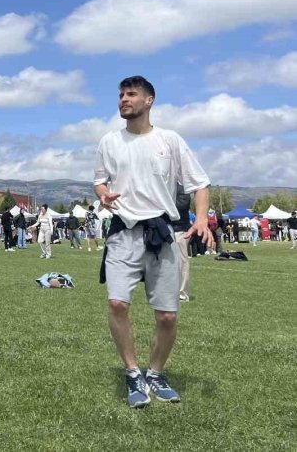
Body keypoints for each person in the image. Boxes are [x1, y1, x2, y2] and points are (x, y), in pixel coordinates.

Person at [95, 76, 211, 408]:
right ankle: (133, 372)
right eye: (121, 94)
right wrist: (103, 195)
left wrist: (201, 219)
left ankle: (156, 374)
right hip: (123, 233)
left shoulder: (169, 140)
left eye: (131, 94)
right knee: (117, 304)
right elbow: (99, 181)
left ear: (149, 100)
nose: (123, 99)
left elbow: (200, 183)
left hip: (162, 234)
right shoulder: (109, 142)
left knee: (167, 316)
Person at [171, 186, 193, 302]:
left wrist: (165, 203)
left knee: (182, 262)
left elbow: (182, 205)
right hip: (168, 230)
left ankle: (182, 293)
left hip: (181, 230)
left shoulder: (182, 188)